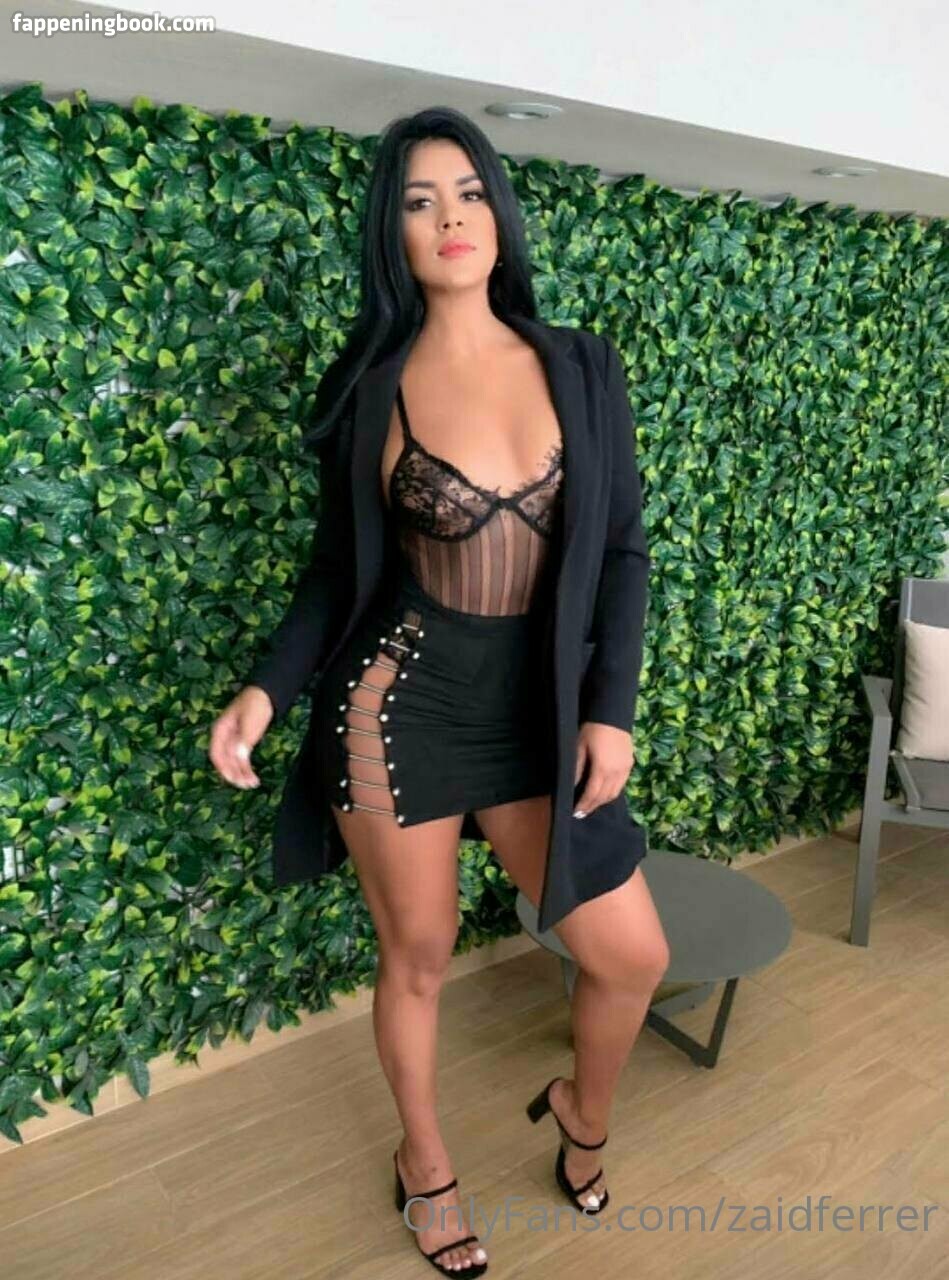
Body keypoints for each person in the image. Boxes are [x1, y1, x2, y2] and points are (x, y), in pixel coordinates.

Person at [209, 106, 670, 1277]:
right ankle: (425, 1163)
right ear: (395, 232)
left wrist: (610, 708)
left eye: (467, 192)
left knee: (628, 954)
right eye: (419, 201)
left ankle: (580, 1108)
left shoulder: (580, 364)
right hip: (398, 705)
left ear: (498, 213)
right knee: (416, 952)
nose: (449, 218)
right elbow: (335, 571)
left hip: (536, 713)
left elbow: (622, 549)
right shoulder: (372, 385)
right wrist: (265, 691)